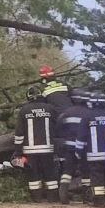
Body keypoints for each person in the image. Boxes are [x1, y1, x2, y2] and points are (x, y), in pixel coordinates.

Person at [14, 86, 57, 202]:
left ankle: (36, 199)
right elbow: (57, 127)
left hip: (30, 150)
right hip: (48, 149)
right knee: (50, 173)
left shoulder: (24, 110)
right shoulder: (50, 108)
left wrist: (18, 151)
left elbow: (19, 133)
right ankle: (52, 198)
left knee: (33, 174)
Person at [39, 66, 73, 197]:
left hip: (57, 120)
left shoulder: (43, 89)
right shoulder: (65, 85)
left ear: (43, 79)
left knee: (58, 148)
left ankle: (60, 171)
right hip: (71, 118)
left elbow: (41, 107)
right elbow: (73, 98)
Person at [54, 88, 92, 202]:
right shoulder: (89, 113)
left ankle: (63, 193)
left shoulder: (66, 112)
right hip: (84, 146)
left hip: (69, 146)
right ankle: (87, 196)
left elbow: (58, 128)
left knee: (67, 170)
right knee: (86, 171)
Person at [83, 91, 105, 207]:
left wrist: (79, 151)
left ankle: (99, 202)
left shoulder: (87, 116)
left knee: (97, 178)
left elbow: (81, 135)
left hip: (94, 155)